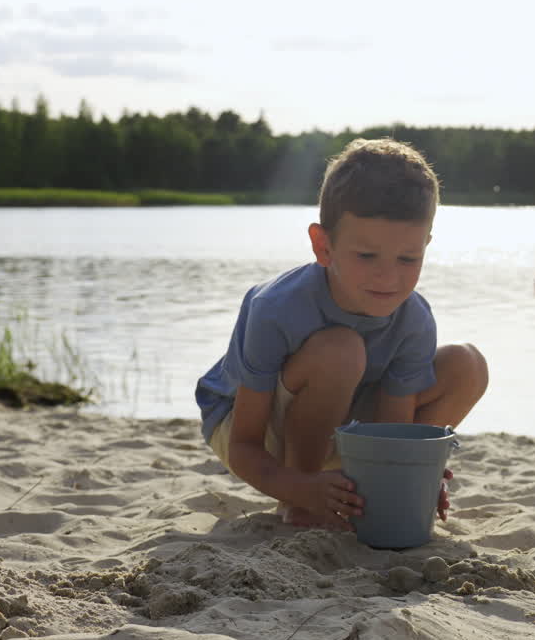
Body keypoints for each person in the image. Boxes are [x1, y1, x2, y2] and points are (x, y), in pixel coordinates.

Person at [195, 138, 488, 530]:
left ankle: (363, 491)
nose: (388, 277)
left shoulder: (413, 319)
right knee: (342, 350)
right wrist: (300, 487)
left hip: (341, 424)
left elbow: (391, 429)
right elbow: (244, 447)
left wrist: (411, 473)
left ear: (426, 246)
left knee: (466, 365)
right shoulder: (277, 307)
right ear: (323, 246)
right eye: (366, 256)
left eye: (408, 258)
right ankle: (302, 505)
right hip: (248, 429)